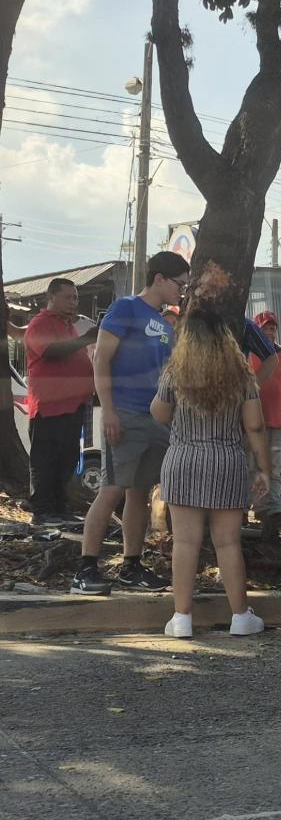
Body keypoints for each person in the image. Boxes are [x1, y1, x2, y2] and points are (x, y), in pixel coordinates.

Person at [71, 252, 186, 596]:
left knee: (140, 493)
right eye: (179, 284)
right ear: (160, 278)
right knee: (112, 489)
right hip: (124, 415)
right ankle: (85, 570)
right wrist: (108, 411)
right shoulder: (125, 308)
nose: (182, 291)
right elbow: (101, 359)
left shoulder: (166, 324)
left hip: (156, 421)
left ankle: (131, 567)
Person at [150, 308, 269, 638]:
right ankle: (241, 617)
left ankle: (182, 619)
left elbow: (159, 413)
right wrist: (263, 469)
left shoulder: (176, 373)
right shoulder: (241, 376)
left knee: (185, 543)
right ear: (225, 339)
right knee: (228, 543)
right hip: (226, 460)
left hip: (184, 459)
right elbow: (255, 426)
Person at [23, 278, 98, 526]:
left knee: (67, 459)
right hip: (49, 405)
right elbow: (53, 352)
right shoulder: (40, 324)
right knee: (46, 460)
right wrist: (86, 339)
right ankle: (42, 510)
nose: (73, 302)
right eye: (68, 297)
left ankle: (60, 507)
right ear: (51, 296)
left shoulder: (68, 327)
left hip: (73, 405)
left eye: (75, 298)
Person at [248, 311, 281, 538]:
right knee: (248, 467)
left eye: (272, 328)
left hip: (276, 422)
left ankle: (270, 510)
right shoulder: (248, 353)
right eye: (265, 328)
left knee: (274, 469)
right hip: (250, 421)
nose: (269, 331)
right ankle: (241, 509)